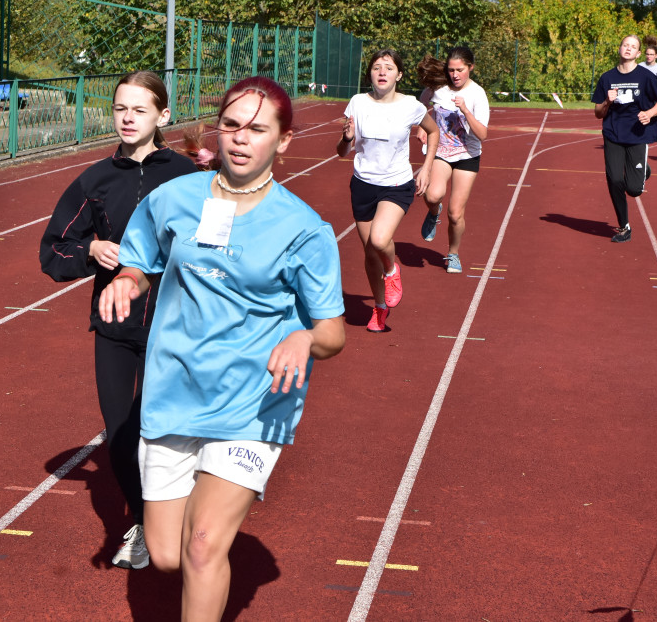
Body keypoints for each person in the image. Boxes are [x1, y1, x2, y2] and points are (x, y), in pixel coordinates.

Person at [98, 76, 346, 619]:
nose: (240, 138)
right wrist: (129, 280)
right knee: (165, 555)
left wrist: (303, 337)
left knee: (204, 545)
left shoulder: (305, 229)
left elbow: (333, 332)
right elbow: (141, 259)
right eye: (231, 125)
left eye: (257, 129)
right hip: (174, 392)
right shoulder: (173, 199)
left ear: (282, 141)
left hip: (252, 403)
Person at [39, 71, 196, 570]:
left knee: (161, 431)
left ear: (162, 116)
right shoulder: (95, 180)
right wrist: (91, 249)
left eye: (140, 110)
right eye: (120, 109)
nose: (128, 118)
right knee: (121, 433)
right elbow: (52, 252)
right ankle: (147, 522)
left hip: (175, 326)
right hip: (115, 325)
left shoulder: (189, 176)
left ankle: (174, 513)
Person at [337, 49, 439, 332]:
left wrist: (427, 168)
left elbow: (433, 132)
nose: (382, 72)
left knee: (380, 241)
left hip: (396, 184)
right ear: (370, 73)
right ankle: (379, 308)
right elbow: (342, 152)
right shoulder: (357, 102)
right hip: (362, 185)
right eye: (377, 67)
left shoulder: (411, 105)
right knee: (370, 254)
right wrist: (346, 139)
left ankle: (392, 271)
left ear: (399, 75)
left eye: (389, 68)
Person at [416, 47, 490, 274]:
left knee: (456, 214)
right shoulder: (438, 88)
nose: (455, 75)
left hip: (467, 155)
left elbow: (483, 134)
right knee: (432, 195)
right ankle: (433, 212)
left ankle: (453, 254)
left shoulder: (478, 94)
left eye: (460, 70)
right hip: (440, 151)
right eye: (451, 70)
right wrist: (423, 125)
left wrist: (466, 110)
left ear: (471, 68)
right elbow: (421, 105)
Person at [592, 34, 657, 243]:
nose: (628, 49)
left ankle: (644, 169)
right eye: (625, 45)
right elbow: (598, 113)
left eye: (633, 47)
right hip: (613, 134)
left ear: (637, 53)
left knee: (634, 189)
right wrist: (607, 102)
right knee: (615, 179)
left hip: (637, 135)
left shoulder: (646, 76)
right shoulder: (607, 78)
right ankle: (624, 227)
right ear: (620, 49)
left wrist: (650, 113)